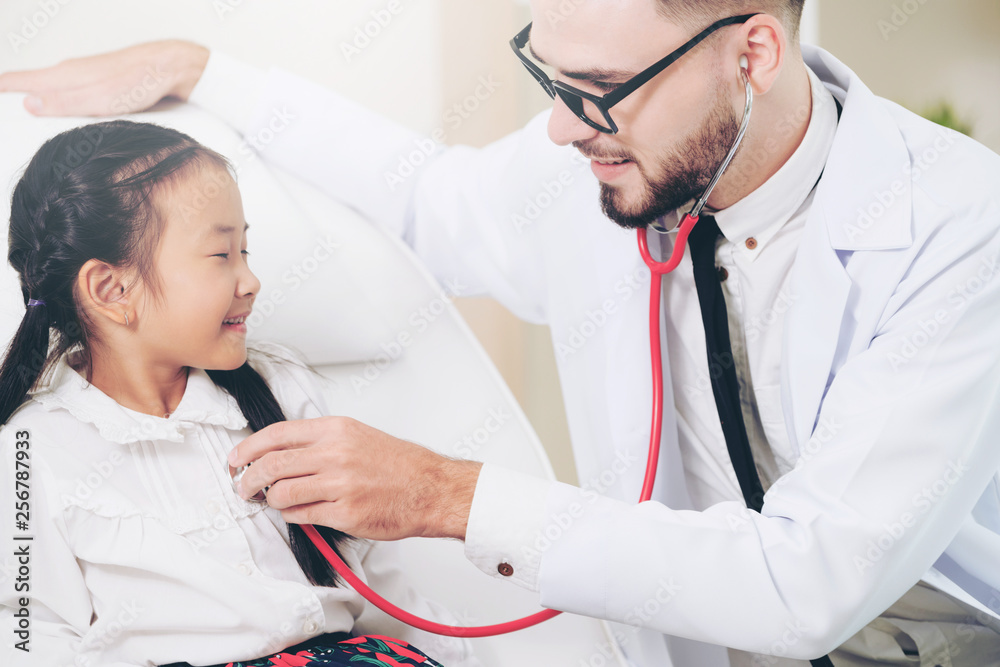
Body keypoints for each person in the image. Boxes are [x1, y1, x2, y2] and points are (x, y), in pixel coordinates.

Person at [2, 0, 1000, 665]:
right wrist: (205, 68)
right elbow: (426, 196)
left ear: (752, 54)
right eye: (547, 76)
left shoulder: (958, 228)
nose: (564, 129)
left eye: (598, 89)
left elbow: (808, 582)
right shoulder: (603, 159)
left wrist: (443, 492)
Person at [0, 120, 475, 666]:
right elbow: (31, 631)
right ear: (113, 289)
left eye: (246, 250)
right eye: (222, 256)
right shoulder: (30, 450)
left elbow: (369, 569)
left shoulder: (279, 392)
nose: (250, 280)